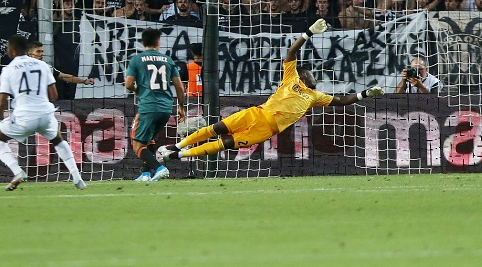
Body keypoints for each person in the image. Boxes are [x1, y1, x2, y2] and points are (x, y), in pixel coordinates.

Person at [158, 20, 383, 162]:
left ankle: (178, 155)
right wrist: (308, 33)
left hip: (265, 129)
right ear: (303, 75)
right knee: (216, 128)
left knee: (224, 144)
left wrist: (365, 94)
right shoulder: (291, 76)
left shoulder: (316, 96)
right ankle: (175, 145)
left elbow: (342, 101)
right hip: (257, 113)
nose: (313, 75)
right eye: (310, 73)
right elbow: (292, 52)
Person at [0, 35, 86, 191]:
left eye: (8, 48)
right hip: (45, 113)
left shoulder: (9, 69)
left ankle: (18, 172)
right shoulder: (43, 65)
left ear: (12, 50)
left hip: (24, 116)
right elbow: (54, 95)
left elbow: (1, 102)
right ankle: (77, 178)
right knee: (58, 140)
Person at [124, 28, 187, 182]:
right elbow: (179, 87)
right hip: (166, 108)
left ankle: (160, 168)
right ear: (158, 41)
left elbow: (128, 84)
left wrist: (136, 90)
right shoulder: (168, 60)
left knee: (137, 145)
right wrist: (180, 107)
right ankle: (145, 174)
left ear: (142, 42)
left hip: (148, 106)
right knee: (149, 140)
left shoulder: (137, 59)